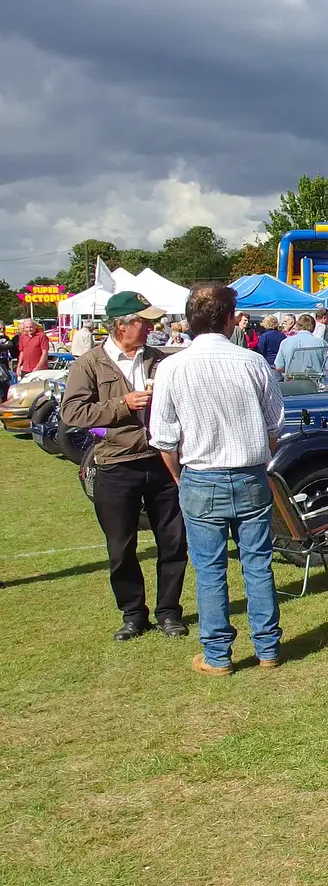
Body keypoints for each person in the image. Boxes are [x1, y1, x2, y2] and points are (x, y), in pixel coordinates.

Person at [149, 284, 286, 675]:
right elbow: (275, 423)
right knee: (257, 564)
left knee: (210, 570)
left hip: (201, 474)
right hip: (248, 473)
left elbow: (163, 436)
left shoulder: (173, 366)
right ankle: (268, 649)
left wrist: (179, 477)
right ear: (229, 318)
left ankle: (218, 655)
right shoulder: (251, 362)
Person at [60, 291, 189, 642]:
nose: (151, 327)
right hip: (116, 464)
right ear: (121, 325)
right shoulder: (89, 363)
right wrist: (122, 404)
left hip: (163, 462)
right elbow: (72, 413)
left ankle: (169, 613)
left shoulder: (161, 360)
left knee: (173, 542)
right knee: (120, 547)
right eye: (143, 322)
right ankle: (133, 614)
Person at [274, 313, 328, 378]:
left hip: (292, 382)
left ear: (297, 326)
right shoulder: (322, 343)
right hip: (314, 383)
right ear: (313, 328)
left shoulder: (285, 342)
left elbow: (279, 367)